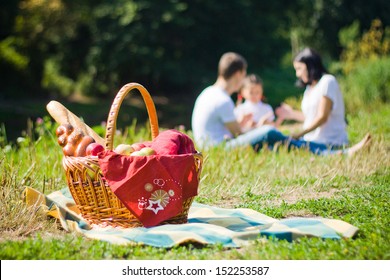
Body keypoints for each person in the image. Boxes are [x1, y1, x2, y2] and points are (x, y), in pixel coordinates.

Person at [191, 50, 370, 156]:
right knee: (269, 132)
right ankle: (338, 153)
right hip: (219, 149)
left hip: (212, 148)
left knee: (274, 138)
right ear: (238, 74)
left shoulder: (208, 93)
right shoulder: (222, 100)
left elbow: (235, 131)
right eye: (244, 75)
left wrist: (249, 127)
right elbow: (238, 135)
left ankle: (332, 152)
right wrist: (258, 128)